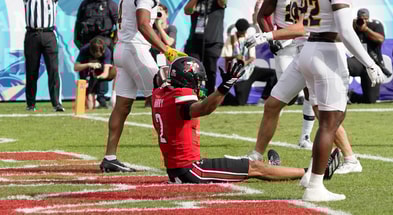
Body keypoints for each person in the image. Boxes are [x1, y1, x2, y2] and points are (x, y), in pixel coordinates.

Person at [247, 0, 385, 201]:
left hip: (308, 49)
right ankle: (315, 186)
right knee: (330, 123)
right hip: (328, 52)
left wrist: (270, 35)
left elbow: (303, 25)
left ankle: (312, 174)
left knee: (323, 116)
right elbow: (345, 32)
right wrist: (370, 64)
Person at [151, 56, 340, 183]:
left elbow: (159, 78)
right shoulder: (180, 94)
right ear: (186, 81)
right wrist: (225, 86)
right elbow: (204, 108)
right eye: (196, 80)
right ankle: (315, 172)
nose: (199, 85)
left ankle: (275, 169)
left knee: (244, 164)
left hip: (178, 168)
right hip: (190, 171)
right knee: (255, 167)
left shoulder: (159, 95)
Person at [99, 0, 187, 173]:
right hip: (135, 50)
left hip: (124, 48)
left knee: (122, 106)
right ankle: (175, 158)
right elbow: (143, 25)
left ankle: (110, 157)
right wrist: (166, 49)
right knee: (163, 100)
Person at [74, 0, 119, 109]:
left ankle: (101, 98)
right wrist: (77, 41)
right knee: (86, 71)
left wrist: (114, 43)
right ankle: (88, 96)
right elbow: (78, 24)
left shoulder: (110, 5)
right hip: (88, 43)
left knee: (103, 69)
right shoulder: (85, 4)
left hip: (105, 44)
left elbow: (118, 25)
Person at [221, 18, 277, 105]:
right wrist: (235, 56)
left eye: (243, 31)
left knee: (273, 74)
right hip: (238, 74)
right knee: (240, 103)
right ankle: (225, 97)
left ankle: (264, 98)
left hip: (251, 70)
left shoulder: (249, 38)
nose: (242, 33)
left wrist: (244, 62)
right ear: (237, 30)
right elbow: (226, 57)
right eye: (240, 31)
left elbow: (252, 57)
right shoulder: (231, 39)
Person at [23, 0, 64, 112]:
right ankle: (30, 104)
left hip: (48, 34)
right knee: (31, 70)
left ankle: (57, 103)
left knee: (53, 70)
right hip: (32, 34)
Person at [184, 0, 227, 96]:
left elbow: (223, 2)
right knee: (191, 70)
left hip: (213, 42)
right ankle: (192, 95)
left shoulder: (218, 3)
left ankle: (209, 96)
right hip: (194, 41)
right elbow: (187, 11)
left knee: (210, 72)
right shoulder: (196, 2)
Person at [348, 8, 386, 104]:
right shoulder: (353, 26)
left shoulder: (375, 25)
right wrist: (352, 26)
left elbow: (380, 39)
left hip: (373, 62)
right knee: (344, 65)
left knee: (370, 100)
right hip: (358, 61)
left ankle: (352, 95)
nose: (363, 21)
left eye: (365, 19)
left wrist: (366, 30)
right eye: (361, 19)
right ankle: (342, 93)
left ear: (369, 18)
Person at [74, 36, 114, 110]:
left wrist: (96, 78)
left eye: (100, 54)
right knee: (89, 101)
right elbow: (76, 67)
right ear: (92, 52)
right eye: (97, 55)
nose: (99, 56)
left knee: (103, 83)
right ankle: (90, 100)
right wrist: (89, 64)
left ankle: (101, 100)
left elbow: (105, 73)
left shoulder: (107, 51)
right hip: (86, 71)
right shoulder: (84, 50)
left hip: (100, 73)